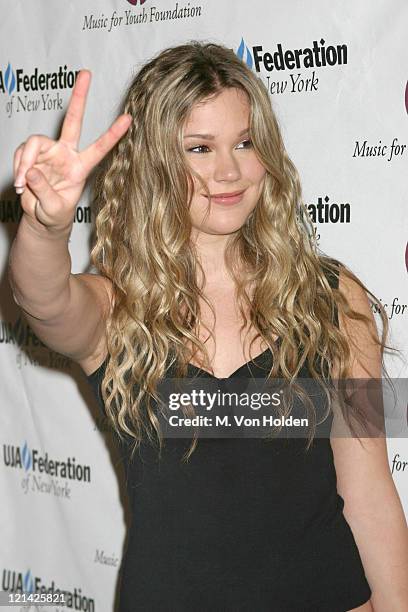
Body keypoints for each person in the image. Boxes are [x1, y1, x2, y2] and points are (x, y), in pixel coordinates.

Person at [8, 41, 408, 611]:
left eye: (245, 142)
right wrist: (46, 228)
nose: (229, 170)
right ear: (155, 164)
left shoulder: (329, 296)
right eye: (199, 148)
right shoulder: (117, 308)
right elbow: (41, 300)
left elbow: (369, 489)